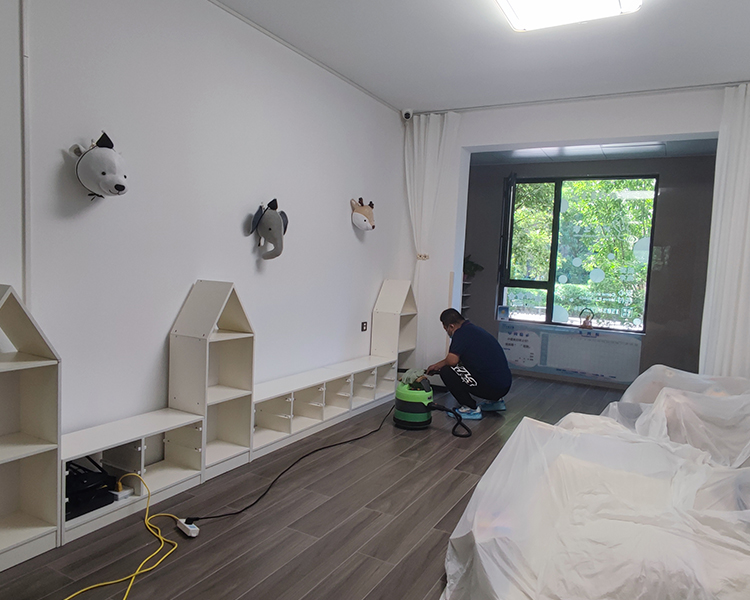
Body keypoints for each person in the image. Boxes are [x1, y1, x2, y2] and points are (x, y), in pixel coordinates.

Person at [427, 308, 512, 420]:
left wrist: (438, 366)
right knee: (464, 364)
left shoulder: (460, 334)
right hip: (504, 385)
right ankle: (495, 402)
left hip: (493, 387)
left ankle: (470, 408)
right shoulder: (474, 330)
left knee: (447, 371)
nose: (447, 332)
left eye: (446, 329)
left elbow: (452, 361)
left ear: (451, 326)